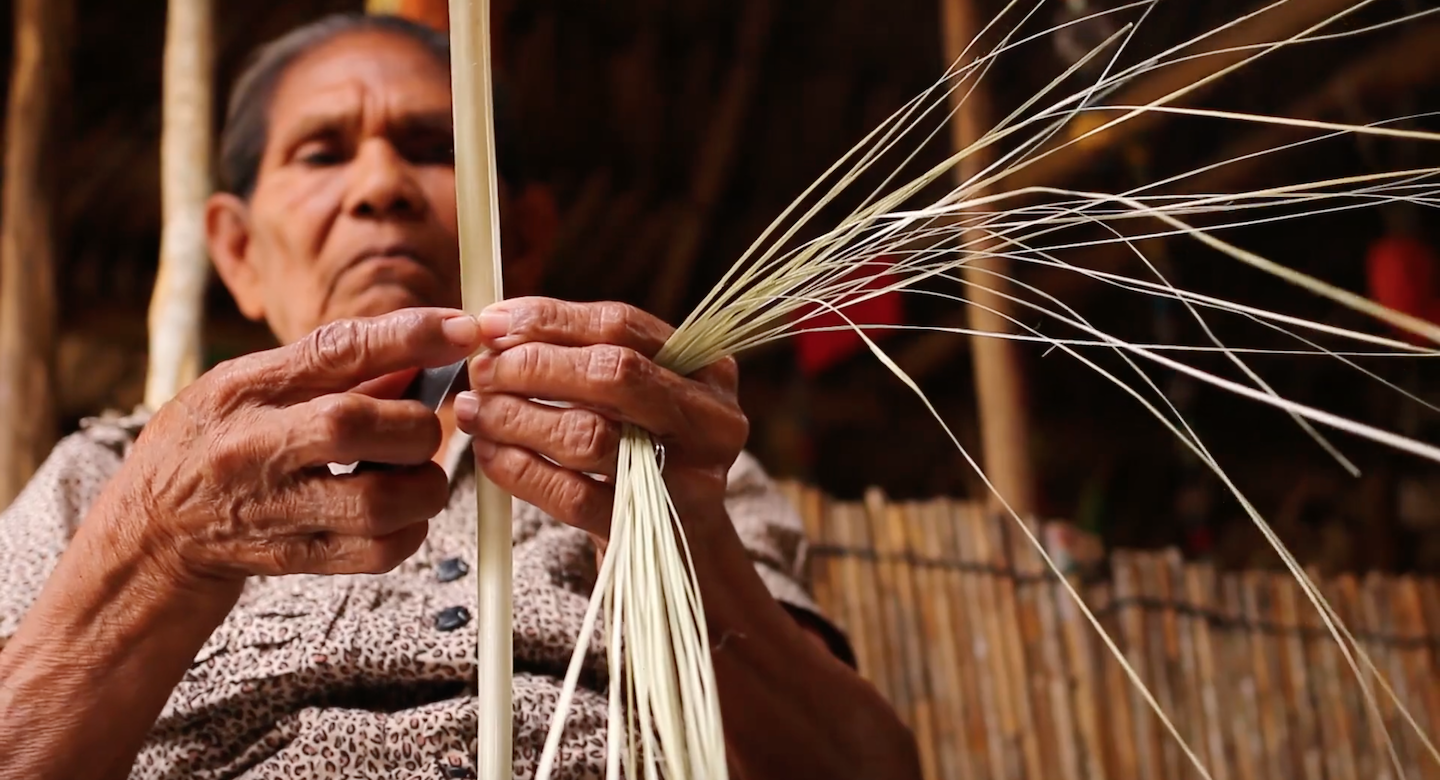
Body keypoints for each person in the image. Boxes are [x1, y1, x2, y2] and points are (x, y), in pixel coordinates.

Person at [0, 13, 920, 780]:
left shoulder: (658, 459)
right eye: (323, 153)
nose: (381, 189)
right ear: (237, 250)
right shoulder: (108, 479)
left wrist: (683, 546)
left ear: (522, 232)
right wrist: (157, 546)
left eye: (432, 148)